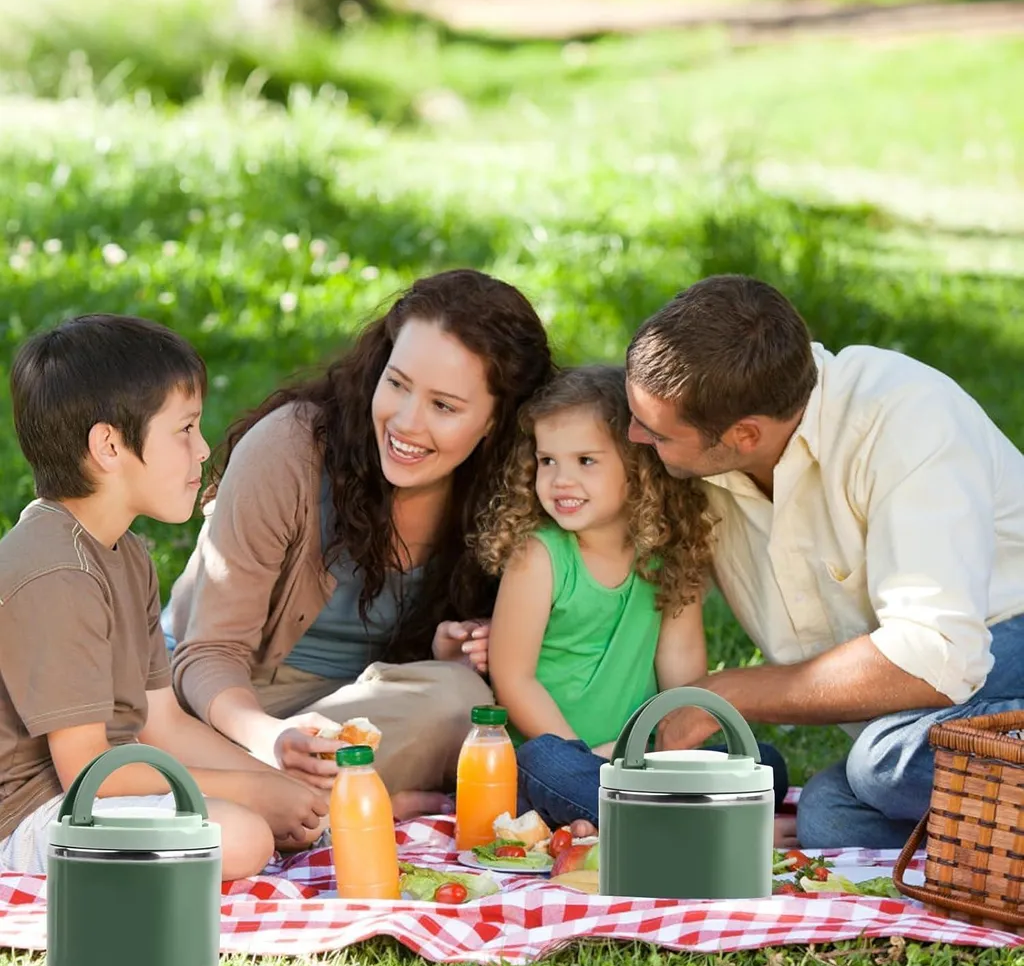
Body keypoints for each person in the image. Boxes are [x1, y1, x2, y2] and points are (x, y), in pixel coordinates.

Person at [624, 274, 1024, 849]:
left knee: (883, 764)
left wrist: (729, 693)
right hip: (925, 712)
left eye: (657, 433)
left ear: (744, 434)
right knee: (833, 816)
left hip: (1002, 641)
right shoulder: (709, 443)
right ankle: (989, 846)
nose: (633, 435)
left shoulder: (905, 417)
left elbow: (938, 655)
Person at [164, 269, 555, 814]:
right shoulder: (289, 452)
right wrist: (270, 740)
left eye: (444, 406)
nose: (406, 423)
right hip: (227, 704)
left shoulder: (516, 492)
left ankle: (287, 803)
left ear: (497, 420)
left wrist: (460, 648)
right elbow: (206, 653)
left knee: (462, 699)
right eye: (396, 384)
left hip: (362, 717)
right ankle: (347, 802)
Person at [0, 315, 329, 879]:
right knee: (241, 834)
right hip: (31, 818)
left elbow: (163, 723)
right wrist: (253, 794)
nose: (203, 450)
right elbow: (87, 773)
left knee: (265, 814)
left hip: (99, 794)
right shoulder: (56, 573)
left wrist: (273, 782)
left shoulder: (125, 555)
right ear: (108, 445)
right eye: (185, 429)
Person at [474, 365, 790, 834]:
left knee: (765, 763)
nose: (560, 479)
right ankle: (687, 827)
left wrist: (671, 755)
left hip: (639, 761)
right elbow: (513, 679)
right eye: (547, 461)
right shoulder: (538, 556)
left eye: (585, 461)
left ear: (638, 469)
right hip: (556, 760)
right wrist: (584, 756)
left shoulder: (668, 556)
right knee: (545, 764)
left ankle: (637, 820)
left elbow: (683, 684)